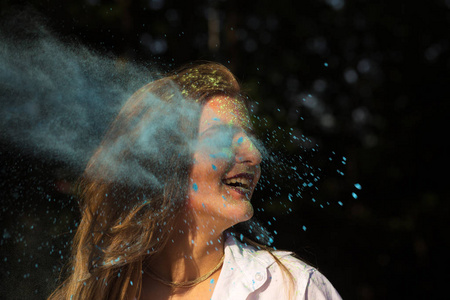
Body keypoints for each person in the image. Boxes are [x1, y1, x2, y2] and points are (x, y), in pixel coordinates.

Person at [48, 62, 342, 300]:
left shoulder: (292, 289)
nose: (254, 155)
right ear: (162, 161)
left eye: (250, 139)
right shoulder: (97, 291)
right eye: (224, 137)